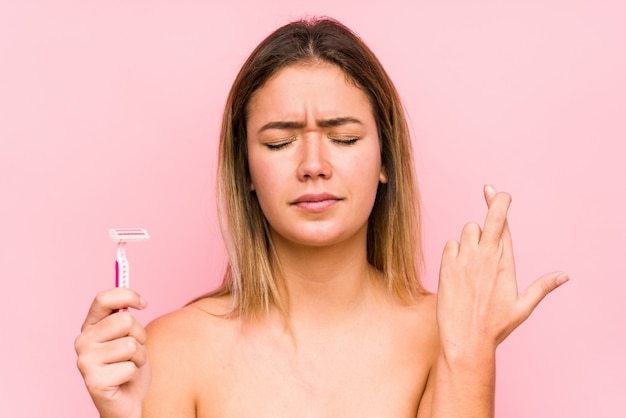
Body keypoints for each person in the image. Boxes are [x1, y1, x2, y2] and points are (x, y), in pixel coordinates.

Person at [75, 17, 568, 417]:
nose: (313, 165)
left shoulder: (446, 333)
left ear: (385, 161)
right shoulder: (173, 350)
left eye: (345, 138)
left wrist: (471, 350)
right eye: (279, 142)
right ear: (245, 168)